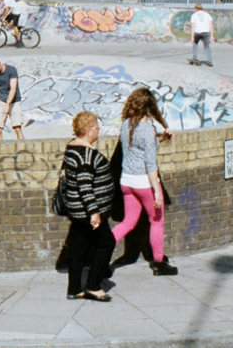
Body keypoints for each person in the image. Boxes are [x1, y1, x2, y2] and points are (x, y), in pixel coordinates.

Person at [111, 88, 178, 276]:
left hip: (126, 182)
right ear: (149, 108)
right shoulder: (147, 129)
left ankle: (103, 250)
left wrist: (162, 138)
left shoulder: (126, 124)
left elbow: (138, 148)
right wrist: (157, 190)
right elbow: (150, 163)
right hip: (144, 183)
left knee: (128, 222)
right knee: (157, 221)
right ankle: (159, 263)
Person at [61, 111, 116, 302]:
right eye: (97, 128)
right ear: (88, 130)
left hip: (76, 211)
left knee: (78, 246)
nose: (98, 131)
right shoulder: (86, 155)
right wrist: (94, 212)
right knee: (107, 243)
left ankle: (74, 288)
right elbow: (85, 186)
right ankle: (93, 285)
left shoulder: (72, 147)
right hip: (87, 212)